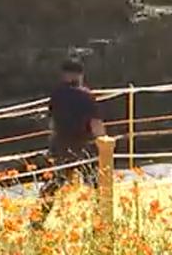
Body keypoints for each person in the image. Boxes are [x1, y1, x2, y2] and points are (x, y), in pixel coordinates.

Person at [34, 59, 104, 227]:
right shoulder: (86, 96)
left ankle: (37, 220)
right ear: (78, 75)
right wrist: (104, 144)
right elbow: (96, 124)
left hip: (61, 143)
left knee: (54, 182)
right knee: (95, 184)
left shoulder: (56, 94)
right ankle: (99, 221)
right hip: (83, 145)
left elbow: (51, 121)